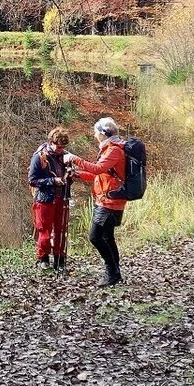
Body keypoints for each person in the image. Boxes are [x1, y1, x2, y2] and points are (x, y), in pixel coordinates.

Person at [70, 117, 128, 287]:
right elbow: (99, 175)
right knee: (107, 237)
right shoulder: (108, 149)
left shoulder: (114, 151)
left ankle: (111, 272)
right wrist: (78, 174)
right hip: (106, 199)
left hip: (109, 202)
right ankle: (115, 273)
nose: (94, 135)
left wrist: (74, 159)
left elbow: (97, 169)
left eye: (96, 132)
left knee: (95, 237)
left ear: (103, 133)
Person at [27, 127, 77, 272]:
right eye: (58, 146)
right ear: (51, 142)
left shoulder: (66, 157)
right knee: (45, 230)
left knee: (61, 230)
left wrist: (71, 176)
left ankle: (60, 259)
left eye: (63, 147)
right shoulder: (39, 157)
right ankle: (42, 259)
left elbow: (69, 178)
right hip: (44, 199)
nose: (60, 149)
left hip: (63, 197)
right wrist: (52, 181)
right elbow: (32, 180)